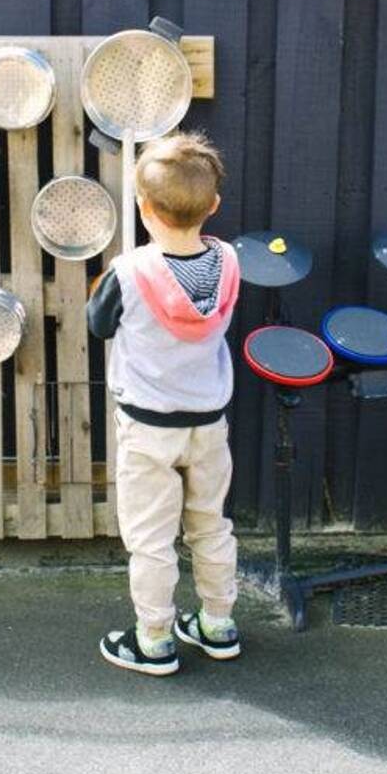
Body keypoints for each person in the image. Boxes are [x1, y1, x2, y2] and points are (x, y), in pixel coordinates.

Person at [86, 131, 242, 676]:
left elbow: (98, 324)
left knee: (151, 539)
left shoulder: (129, 272)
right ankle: (217, 625)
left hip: (148, 427)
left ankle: (153, 638)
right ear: (214, 206)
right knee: (210, 525)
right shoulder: (228, 261)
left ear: (143, 207)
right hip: (208, 423)